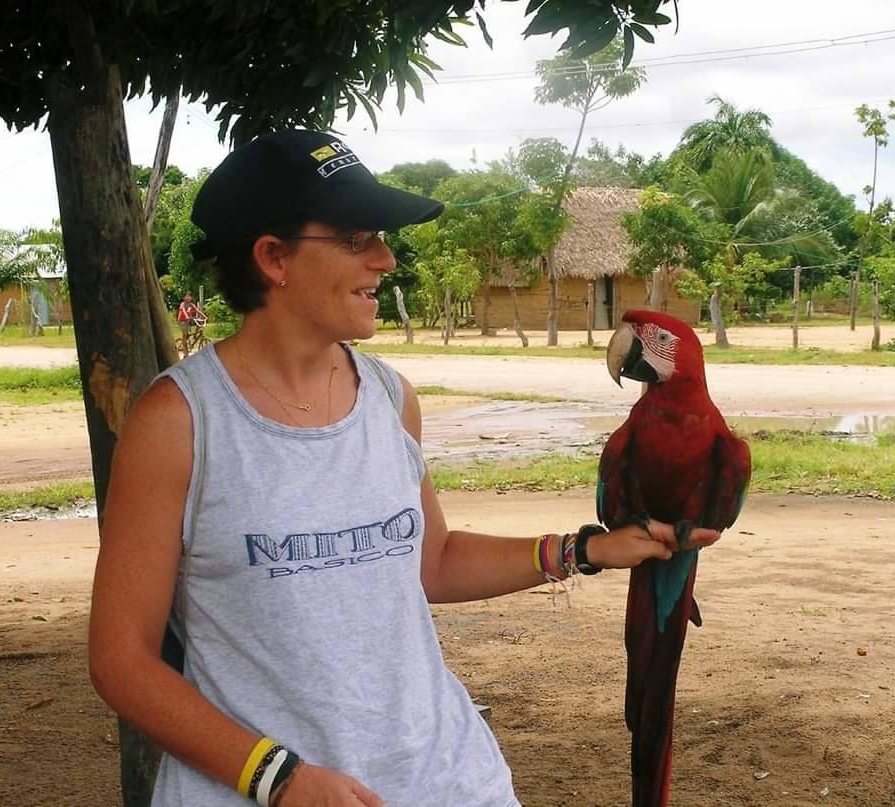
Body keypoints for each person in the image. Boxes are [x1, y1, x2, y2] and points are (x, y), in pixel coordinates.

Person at [88, 130, 721, 807]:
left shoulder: (391, 400)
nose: (387, 259)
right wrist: (277, 777)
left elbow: (432, 561)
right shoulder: (182, 422)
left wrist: (583, 549)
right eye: (358, 239)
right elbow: (122, 659)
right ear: (274, 258)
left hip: (447, 778)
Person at [177, 291, 206, 357]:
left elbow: (197, 311)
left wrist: (204, 316)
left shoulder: (192, 305)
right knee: (184, 336)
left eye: (189, 296)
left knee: (199, 322)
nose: (188, 298)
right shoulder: (182, 304)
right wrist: (186, 316)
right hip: (182, 321)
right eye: (186, 296)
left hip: (189, 320)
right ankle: (185, 352)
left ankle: (195, 335)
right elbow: (183, 310)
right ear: (183, 298)